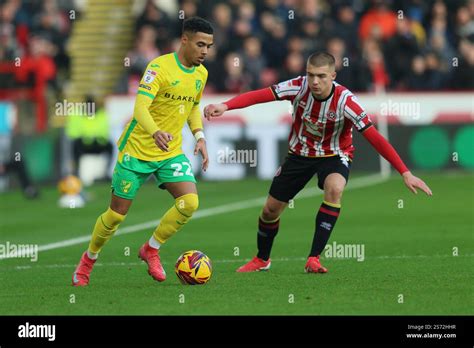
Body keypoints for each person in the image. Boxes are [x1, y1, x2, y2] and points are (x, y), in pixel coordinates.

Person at [204, 52, 432, 274]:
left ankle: (313, 258)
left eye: (321, 76)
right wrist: (226, 105)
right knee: (270, 211)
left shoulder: (346, 101)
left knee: (335, 189)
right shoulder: (298, 86)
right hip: (299, 155)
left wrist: (404, 172)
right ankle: (262, 259)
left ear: (333, 76)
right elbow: (260, 95)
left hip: (334, 155)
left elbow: (374, 137)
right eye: (310, 74)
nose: (314, 81)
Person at [72, 17, 214, 286]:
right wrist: (155, 131)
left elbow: (193, 106)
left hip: (170, 153)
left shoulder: (201, 74)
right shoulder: (159, 67)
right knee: (115, 216)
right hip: (137, 151)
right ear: (184, 40)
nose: (205, 51)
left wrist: (200, 136)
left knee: (189, 203)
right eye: (200, 44)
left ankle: (151, 248)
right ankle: (88, 260)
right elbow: (140, 108)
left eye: (209, 45)